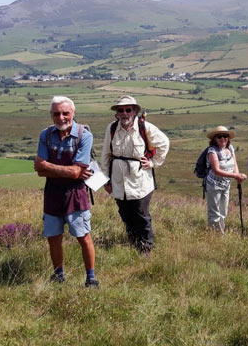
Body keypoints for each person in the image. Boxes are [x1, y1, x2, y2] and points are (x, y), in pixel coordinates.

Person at [34, 96, 99, 288]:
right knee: (53, 238)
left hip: (76, 194)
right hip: (52, 193)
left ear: (73, 114)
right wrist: (71, 171)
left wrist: (49, 167)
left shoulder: (84, 135)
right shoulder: (45, 135)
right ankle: (58, 275)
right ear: (51, 115)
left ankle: (91, 277)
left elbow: (77, 171)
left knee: (83, 236)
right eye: (56, 113)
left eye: (65, 113)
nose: (61, 117)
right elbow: (39, 170)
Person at [100, 95, 169, 254]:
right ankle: (133, 242)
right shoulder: (111, 128)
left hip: (140, 181)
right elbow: (106, 154)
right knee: (125, 213)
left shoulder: (145, 127)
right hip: (118, 181)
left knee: (141, 215)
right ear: (117, 113)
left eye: (128, 110)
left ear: (135, 111)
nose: (124, 113)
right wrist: (106, 180)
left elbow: (164, 143)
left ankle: (146, 248)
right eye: (121, 110)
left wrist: (153, 163)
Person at [204, 126, 248, 234]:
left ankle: (220, 231)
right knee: (214, 212)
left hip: (226, 184)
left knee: (223, 211)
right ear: (214, 139)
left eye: (225, 136)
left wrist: (237, 174)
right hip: (214, 185)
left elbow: (234, 163)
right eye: (219, 136)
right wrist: (235, 176)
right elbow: (216, 170)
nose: (223, 138)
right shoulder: (212, 151)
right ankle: (216, 236)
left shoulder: (230, 148)